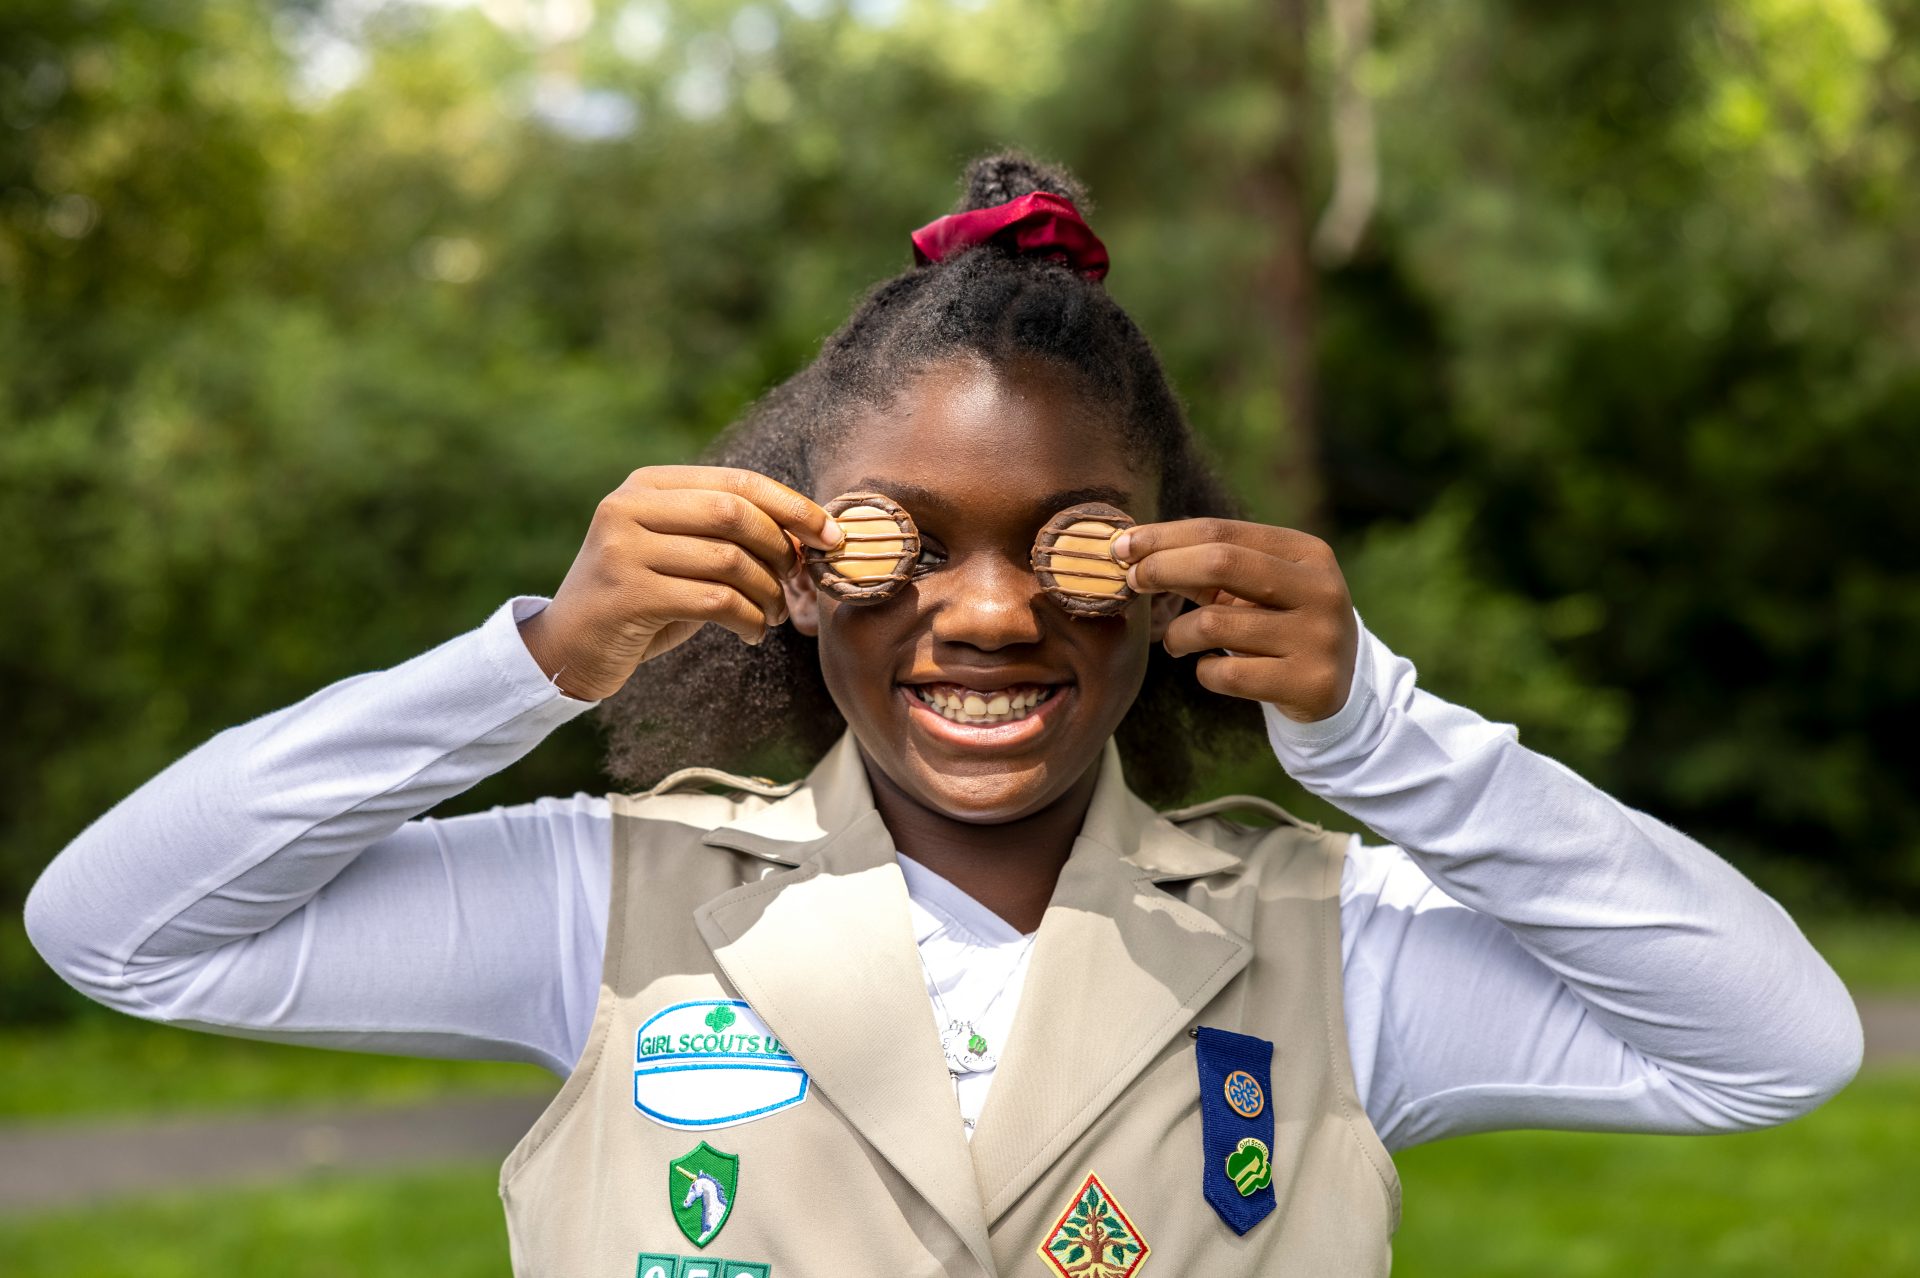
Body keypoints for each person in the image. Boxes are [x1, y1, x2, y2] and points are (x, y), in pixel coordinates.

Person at [25, 153, 1861, 1278]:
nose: (983, 613)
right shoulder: (607, 909)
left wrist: (1381, 728)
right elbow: (120, 929)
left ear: (1162, 571)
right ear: (796, 570)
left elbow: (1773, 1044)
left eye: (1061, 547)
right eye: (910, 545)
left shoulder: (1332, 944)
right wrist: (541, 659)